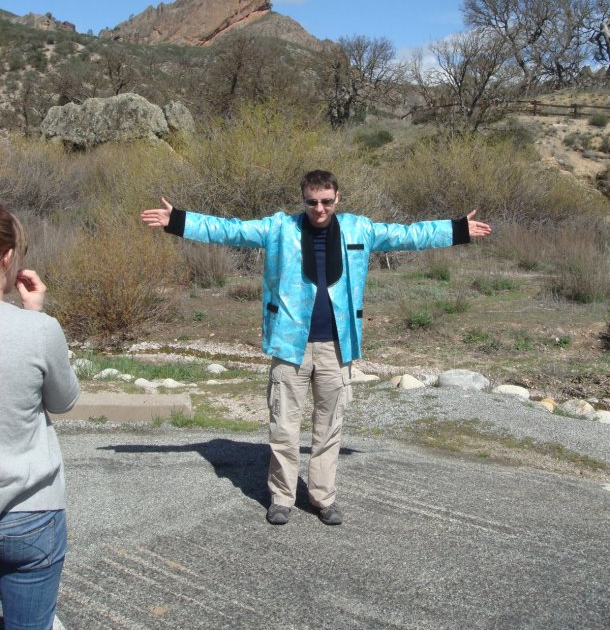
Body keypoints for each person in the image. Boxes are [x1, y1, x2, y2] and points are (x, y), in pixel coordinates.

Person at [141, 170, 491, 526]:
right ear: (303, 200)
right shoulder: (279, 228)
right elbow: (231, 229)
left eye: (326, 201)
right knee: (283, 427)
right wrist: (178, 221)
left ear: (337, 198)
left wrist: (458, 229)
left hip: (336, 347)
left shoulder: (360, 229)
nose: (319, 209)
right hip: (290, 346)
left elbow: (409, 235)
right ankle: (281, 498)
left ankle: (323, 498)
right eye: (312, 202)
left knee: (329, 427)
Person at [0, 205, 80, 630]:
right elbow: (64, 400)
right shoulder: (38, 330)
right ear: (9, 257)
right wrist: (35, 315)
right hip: (30, 514)